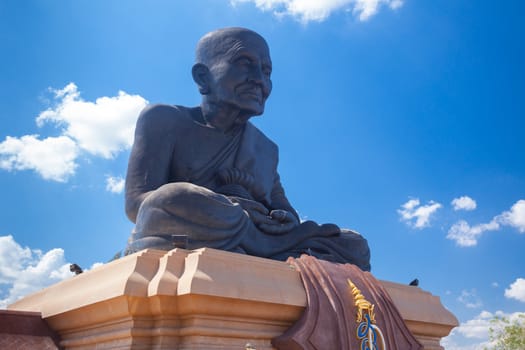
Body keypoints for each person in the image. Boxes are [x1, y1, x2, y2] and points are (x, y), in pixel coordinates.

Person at [124, 27, 371, 271]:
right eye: (245, 63)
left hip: (264, 240)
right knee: (173, 197)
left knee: (353, 243)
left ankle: (253, 252)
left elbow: (286, 213)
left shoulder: (266, 149)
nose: (259, 80)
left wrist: (280, 219)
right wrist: (232, 209)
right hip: (200, 226)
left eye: (266, 71)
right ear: (202, 77)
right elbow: (138, 204)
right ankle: (253, 252)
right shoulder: (164, 119)